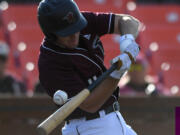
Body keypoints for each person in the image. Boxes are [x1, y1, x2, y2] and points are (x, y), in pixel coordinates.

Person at [37, 0, 140, 135]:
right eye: (67, 33)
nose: (74, 36)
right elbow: (90, 104)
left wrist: (127, 41)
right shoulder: (49, 62)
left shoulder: (80, 21)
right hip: (88, 127)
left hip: (113, 118)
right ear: (51, 34)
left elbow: (129, 21)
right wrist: (117, 74)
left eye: (76, 28)